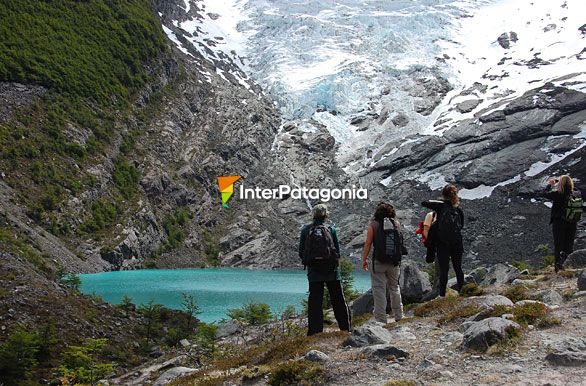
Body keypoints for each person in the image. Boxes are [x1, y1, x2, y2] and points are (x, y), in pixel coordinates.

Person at [299, 204, 351, 336]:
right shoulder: (331, 229)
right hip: (332, 272)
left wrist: (313, 263)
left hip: (314, 273)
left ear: (313, 215)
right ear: (326, 215)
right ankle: (345, 329)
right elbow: (337, 252)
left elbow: (301, 253)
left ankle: (314, 332)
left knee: (315, 301)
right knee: (338, 300)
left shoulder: (306, 230)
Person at [361, 202, 404, 323]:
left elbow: (368, 243)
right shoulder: (396, 224)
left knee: (379, 289)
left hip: (378, 262)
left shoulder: (373, 225)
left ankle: (381, 319)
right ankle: (399, 316)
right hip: (394, 262)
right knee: (394, 287)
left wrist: (364, 259)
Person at [422, 184, 465, 297]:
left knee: (444, 270)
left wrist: (440, 202)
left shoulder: (441, 207)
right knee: (458, 268)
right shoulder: (458, 210)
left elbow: (424, 202)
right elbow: (461, 226)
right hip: (457, 243)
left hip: (442, 243)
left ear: (443, 195)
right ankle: (463, 292)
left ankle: (442, 295)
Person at [541, 175, 582, 272]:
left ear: (560, 184)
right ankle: (569, 266)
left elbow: (543, 193)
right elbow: (573, 189)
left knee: (559, 246)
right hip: (572, 222)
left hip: (559, 222)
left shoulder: (558, 194)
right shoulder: (576, 193)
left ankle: (559, 268)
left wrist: (550, 184)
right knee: (569, 245)